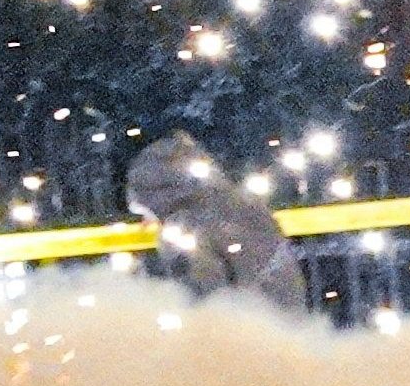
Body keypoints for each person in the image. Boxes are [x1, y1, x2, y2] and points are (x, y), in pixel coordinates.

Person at [126, 130, 307, 314]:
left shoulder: (184, 226)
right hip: (280, 312)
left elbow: (206, 287)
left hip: (245, 320)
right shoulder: (241, 202)